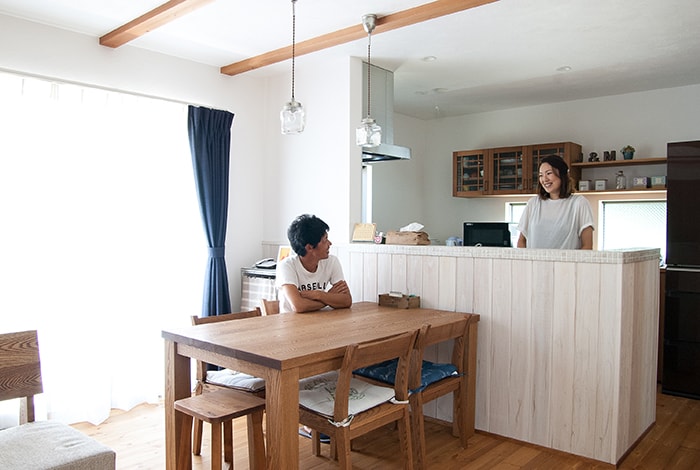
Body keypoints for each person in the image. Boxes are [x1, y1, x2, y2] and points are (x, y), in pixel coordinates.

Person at [275, 214, 352, 313]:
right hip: (292, 325)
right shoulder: (286, 266)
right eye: (325, 240)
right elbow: (298, 306)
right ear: (309, 247)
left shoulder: (332, 261)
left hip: (320, 322)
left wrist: (319, 295)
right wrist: (328, 298)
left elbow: (346, 300)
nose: (330, 243)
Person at [517, 155, 594, 249]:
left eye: (549, 173)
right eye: (541, 175)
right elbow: (521, 242)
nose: (544, 179)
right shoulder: (533, 203)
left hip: (566, 263)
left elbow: (587, 246)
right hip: (535, 263)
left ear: (561, 174)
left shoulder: (579, 203)